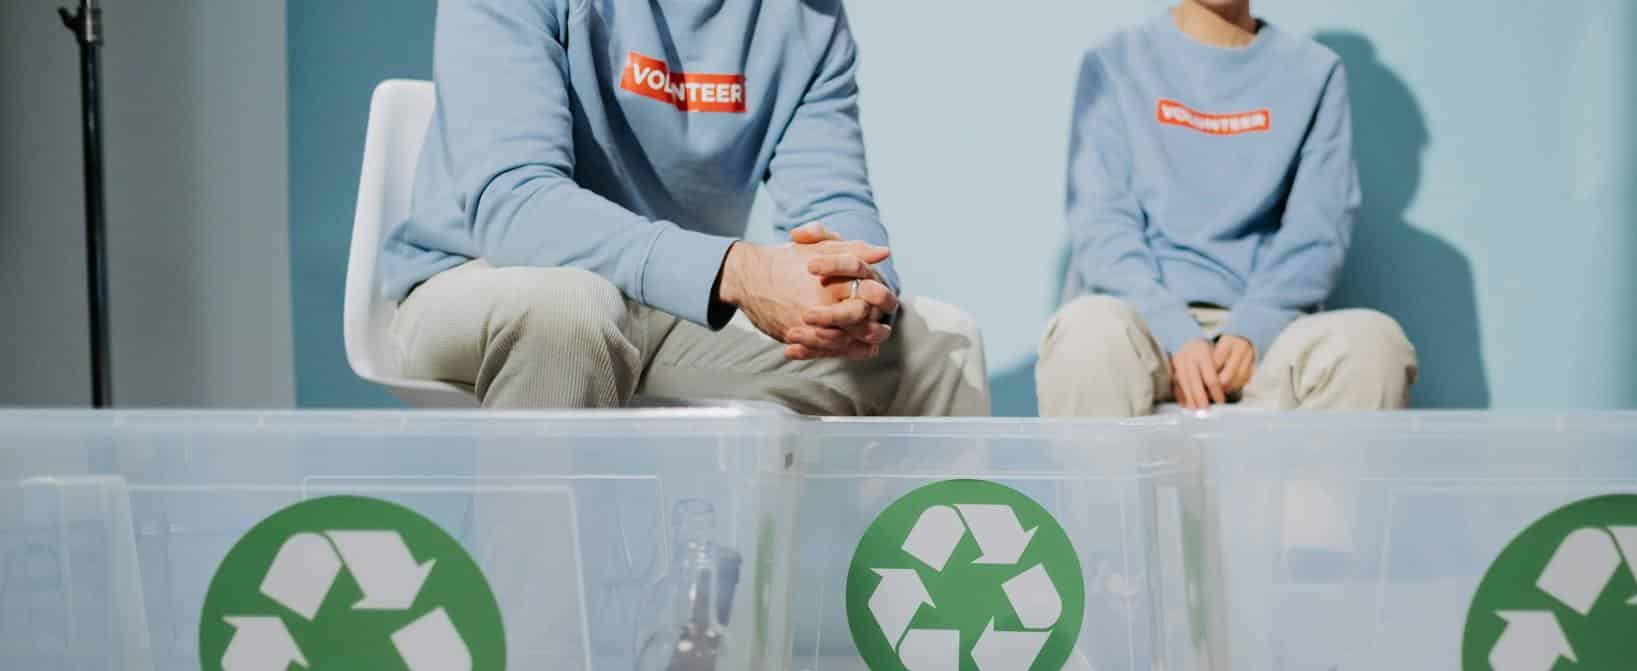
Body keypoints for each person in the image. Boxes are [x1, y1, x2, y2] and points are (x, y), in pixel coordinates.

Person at [382, 0, 988, 415]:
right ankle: (541, 605)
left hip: (674, 312)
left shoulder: (809, 17)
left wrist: (853, 295)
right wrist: (738, 272)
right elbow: (514, 206)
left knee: (935, 345)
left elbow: (833, 201)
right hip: (482, 280)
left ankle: (922, 601)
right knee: (571, 305)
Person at [1038, 1, 1418, 417]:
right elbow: (1101, 225)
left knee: (1372, 344)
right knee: (1087, 332)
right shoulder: (1113, 63)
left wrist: (1255, 327)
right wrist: (1175, 332)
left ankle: (1312, 487)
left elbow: (1319, 231)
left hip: (1271, 338)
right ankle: (1103, 486)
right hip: (1142, 329)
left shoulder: (1316, 72)